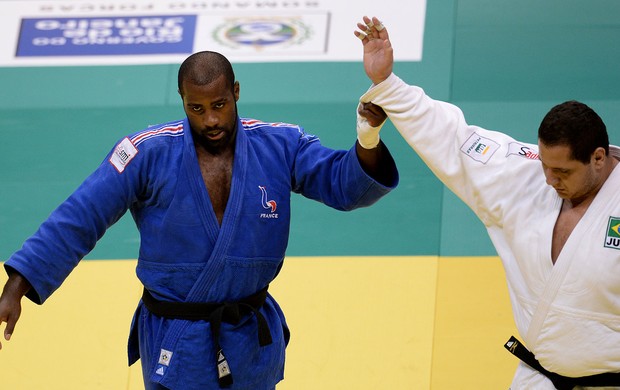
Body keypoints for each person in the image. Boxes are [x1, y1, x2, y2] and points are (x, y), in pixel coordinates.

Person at [0, 51, 398, 389]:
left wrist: (366, 137)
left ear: (236, 92)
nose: (210, 120)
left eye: (219, 105)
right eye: (197, 108)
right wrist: (18, 284)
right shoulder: (145, 154)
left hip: (249, 340)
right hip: (178, 342)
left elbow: (344, 186)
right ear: (182, 100)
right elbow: (81, 215)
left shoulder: (280, 146)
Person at [354, 15, 620, 390]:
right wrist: (388, 84)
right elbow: (453, 138)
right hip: (539, 378)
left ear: (598, 157)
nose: (549, 179)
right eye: (545, 165)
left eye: (562, 172)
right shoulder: (525, 179)